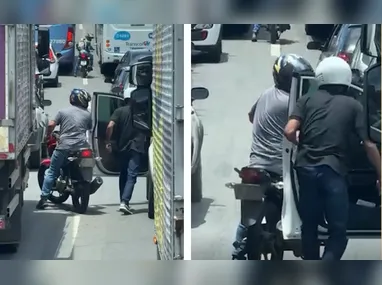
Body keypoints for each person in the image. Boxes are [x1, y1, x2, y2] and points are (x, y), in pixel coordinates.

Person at [284, 56, 381, 260]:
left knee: (309, 228)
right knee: (338, 233)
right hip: (334, 172)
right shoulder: (353, 105)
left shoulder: (306, 100)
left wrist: (302, 144)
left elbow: (289, 130)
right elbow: (369, 144)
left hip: (305, 170)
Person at [232, 54, 314, 259]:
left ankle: (237, 247)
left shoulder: (266, 93)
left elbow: (251, 116)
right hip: (281, 166)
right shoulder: (293, 103)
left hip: (256, 164)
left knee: (247, 215)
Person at [36, 89, 92, 209]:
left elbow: (51, 125)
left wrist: (47, 135)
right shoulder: (88, 115)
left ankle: (44, 198)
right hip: (82, 147)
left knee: (52, 172)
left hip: (64, 147)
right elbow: (89, 128)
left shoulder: (63, 112)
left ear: (73, 99)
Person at [104, 89, 148, 214]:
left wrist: (108, 141)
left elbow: (110, 126)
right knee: (131, 175)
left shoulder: (119, 111)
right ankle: (125, 201)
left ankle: (122, 201)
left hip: (122, 147)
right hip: (137, 147)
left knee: (123, 174)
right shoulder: (142, 112)